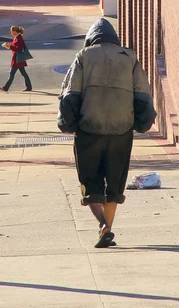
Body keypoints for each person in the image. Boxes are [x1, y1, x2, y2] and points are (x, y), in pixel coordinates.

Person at [58, 18, 156, 248]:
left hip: (88, 129)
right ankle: (108, 228)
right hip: (121, 130)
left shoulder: (84, 56)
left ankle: (102, 225)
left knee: (90, 181)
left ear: (91, 39)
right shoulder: (129, 58)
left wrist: (69, 122)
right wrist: (141, 123)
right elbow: (143, 94)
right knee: (114, 182)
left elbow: (70, 92)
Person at [0, 25, 32, 92]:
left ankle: (6, 87)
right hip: (18, 59)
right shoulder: (17, 38)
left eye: (11, 31)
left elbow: (18, 48)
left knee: (11, 74)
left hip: (17, 59)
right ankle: (29, 87)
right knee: (23, 73)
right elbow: (16, 46)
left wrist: (10, 46)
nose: (11, 33)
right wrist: (9, 45)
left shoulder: (19, 38)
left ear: (14, 31)